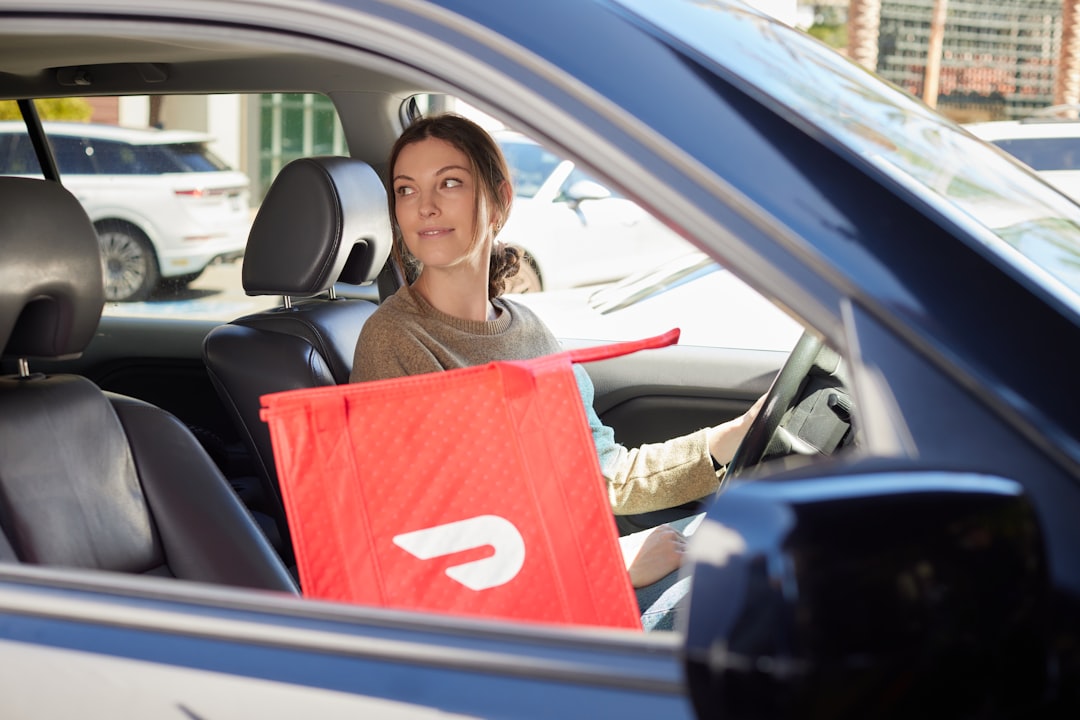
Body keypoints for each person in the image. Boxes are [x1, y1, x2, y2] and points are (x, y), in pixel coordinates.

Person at [350, 113, 763, 629]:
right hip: (504, 618)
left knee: (756, 561)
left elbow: (599, 475)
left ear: (499, 200)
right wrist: (609, 566)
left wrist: (728, 439)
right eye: (406, 190)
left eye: (449, 183)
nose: (425, 206)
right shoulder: (394, 341)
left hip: (563, 579)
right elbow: (429, 542)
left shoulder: (529, 330)